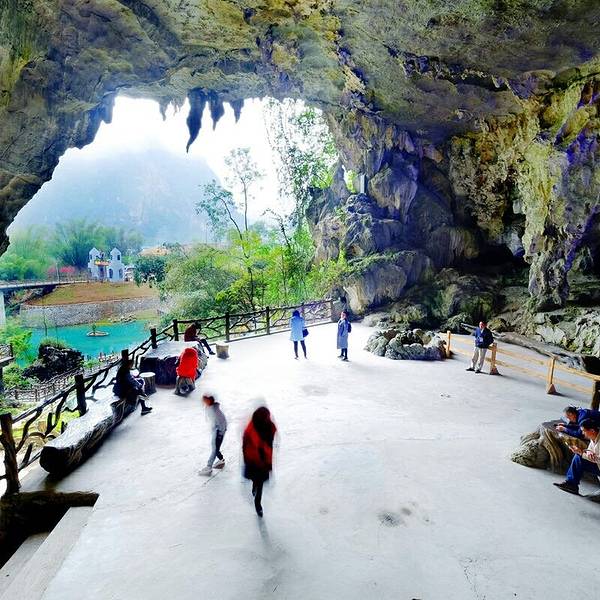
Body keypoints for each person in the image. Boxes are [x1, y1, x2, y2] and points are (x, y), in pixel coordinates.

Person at [243, 406, 277, 517]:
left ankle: (258, 503)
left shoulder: (269, 428)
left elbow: (270, 447)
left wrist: (269, 463)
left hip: (263, 461)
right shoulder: (250, 430)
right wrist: (247, 459)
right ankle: (254, 487)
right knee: (256, 479)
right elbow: (245, 446)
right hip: (253, 460)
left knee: (260, 482)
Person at [553, 419, 600, 499]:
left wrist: (581, 453)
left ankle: (571, 484)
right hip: (597, 465)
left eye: (584, 431)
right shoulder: (594, 436)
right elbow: (591, 450)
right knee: (578, 457)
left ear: (592, 431)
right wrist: (588, 451)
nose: (582, 433)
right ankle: (571, 484)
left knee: (579, 456)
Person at [198, 394, 228, 476]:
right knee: (215, 448)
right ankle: (221, 460)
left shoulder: (215, 410)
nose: (203, 401)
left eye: (205, 399)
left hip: (219, 431)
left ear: (210, 401)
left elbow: (223, 421)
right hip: (216, 430)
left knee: (214, 448)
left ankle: (209, 466)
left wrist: (220, 433)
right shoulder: (209, 408)